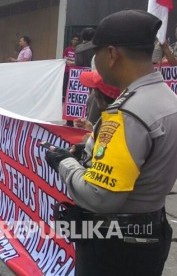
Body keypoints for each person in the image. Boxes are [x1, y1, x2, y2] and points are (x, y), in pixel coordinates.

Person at [45, 10, 176, 275]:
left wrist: (65, 162)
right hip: (151, 232)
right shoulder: (167, 99)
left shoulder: (126, 114)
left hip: (114, 244)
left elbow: (100, 197)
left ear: (112, 54)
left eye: (97, 53)